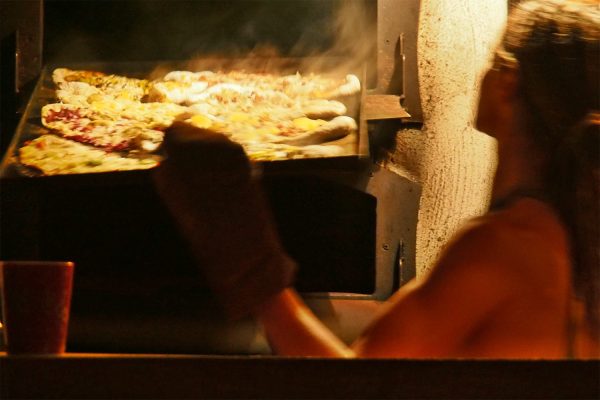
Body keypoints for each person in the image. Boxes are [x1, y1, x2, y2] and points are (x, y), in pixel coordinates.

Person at [154, 0, 599, 359]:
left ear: (507, 85)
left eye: (493, 59)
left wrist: (255, 269)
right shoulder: (568, 239)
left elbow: (352, 389)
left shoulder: (501, 248)